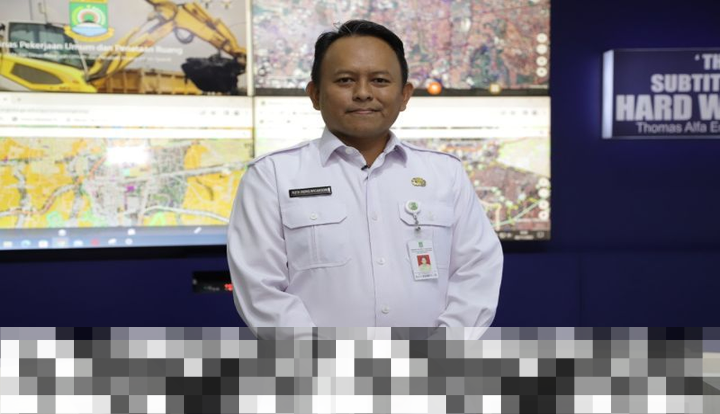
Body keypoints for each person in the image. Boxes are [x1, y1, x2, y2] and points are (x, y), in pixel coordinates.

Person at [227, 20, 503, 338]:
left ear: (405, 95)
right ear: (315, 94)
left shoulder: (445, 174)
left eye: (379, 80)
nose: (362, 93)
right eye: (345, 80)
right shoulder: (271, 176)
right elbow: (260, 289)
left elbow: (477, 270)